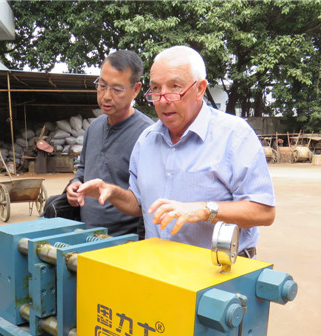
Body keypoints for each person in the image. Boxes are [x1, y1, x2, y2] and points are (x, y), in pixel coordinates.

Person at [76, 46, 275, 257]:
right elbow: (139, 204)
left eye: (174, 87)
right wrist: (112, 191)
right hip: (161, 268)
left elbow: (264, 211)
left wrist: (205, 210)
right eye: (156, 89)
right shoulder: (147, 140)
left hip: (218, 271)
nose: (163, 99)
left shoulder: (234, 136)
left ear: (200, 89)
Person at [66, 50, 154, 237]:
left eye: (116, 89)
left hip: (123, 243)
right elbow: (83, 169)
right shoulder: (94, 127)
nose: (106, 96)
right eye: (102, 85)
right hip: (86, 235)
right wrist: (75, 184)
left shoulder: (148, 136)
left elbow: (147, 200)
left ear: (136, 89)